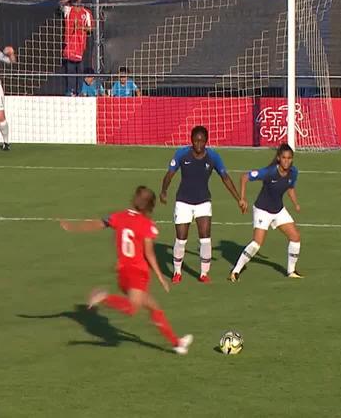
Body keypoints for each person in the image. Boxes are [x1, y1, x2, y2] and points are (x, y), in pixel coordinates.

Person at [59, 186, 194, 355]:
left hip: (123, 273)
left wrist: (73, 227)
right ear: (149, 206)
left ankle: (177, 343)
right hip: (136, 273)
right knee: (132, 309)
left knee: (153, 307)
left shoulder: (118, 217)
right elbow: (149, 254)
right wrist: (161, 277)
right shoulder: (147, 225)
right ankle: (104, 297)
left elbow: (97, 224)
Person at [159, 125, 244, 284]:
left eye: (202, 141)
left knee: (205, 238)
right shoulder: (182, 154)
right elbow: (169, 175)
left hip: (203, 202)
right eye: (196, 141)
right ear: (191, 140)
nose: (198, 144)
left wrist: (238, 198)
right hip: (183, 202)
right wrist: (164, 191)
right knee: (181, 239)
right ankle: (177, 272)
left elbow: (225, 178)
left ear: (206, 141)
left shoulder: (213, 157)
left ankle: (204, 274)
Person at [228, 143, 304, 281]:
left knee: (295, 237)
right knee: (257, 243)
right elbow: (244, 177)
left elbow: (290, 187)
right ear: (279, 158)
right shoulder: (269, 172)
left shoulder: (293, 172)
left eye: (289, 158)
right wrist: (243, 198)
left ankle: (291, 271)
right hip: (262, 210)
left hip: (278, 210)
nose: (286, 161)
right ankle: (235, 271)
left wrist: (295, 204)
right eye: (284, 157)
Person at [59, 0, 93, 96]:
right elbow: (60, 3)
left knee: (80, 71)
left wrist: (80, 27)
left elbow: (90, 29)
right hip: (69, 44)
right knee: (70, 71)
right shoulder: (68, 10)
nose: (76, 1)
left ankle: (79, 92)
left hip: (80, 45)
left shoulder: (86, 13)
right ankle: (70, 91)